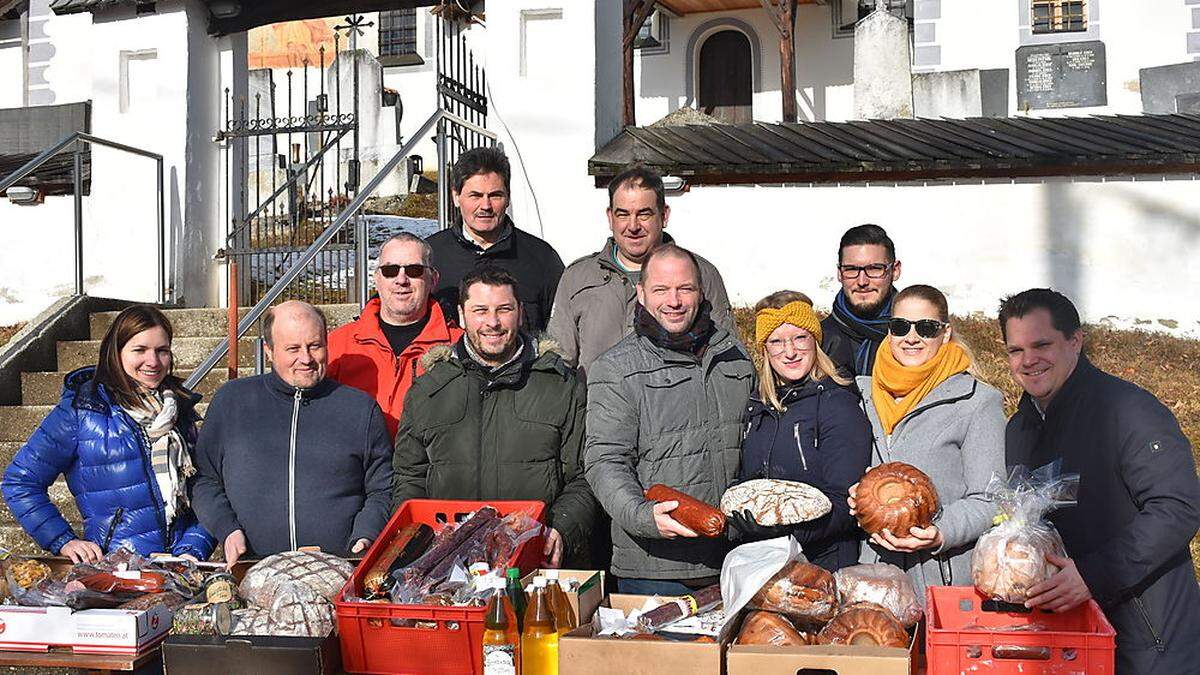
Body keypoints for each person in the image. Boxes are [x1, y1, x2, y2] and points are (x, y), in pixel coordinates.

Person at [1000, 288, 1200, 675]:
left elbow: (1179, 506)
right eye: (1015, 350)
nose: (1028, 361)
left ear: (1075, 340)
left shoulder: (1127, 411)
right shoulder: (1019, 429)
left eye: (1042, 344)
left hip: (1149, 642)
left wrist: (1095, 575)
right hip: (1068, 640)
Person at [393, 267, 597, 568]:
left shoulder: (560, 385)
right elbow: (409, 476)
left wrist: (562, 527)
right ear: (462, 315)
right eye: (480, 311)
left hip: (535, 558)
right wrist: (418, 541)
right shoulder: (430, 389)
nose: (493, 322)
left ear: (520, 314)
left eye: (504, 309)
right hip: (448, 563)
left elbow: (585, 473)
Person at [584, 244, 753, 595]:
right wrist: (643, 516)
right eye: (661, 289)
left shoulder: (734, 358)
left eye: (684, 289)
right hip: (654, 567)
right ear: (641, 294)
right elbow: (604, 461)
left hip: (732, 559)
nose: (673, 301)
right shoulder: (617, 369)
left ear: (700, 292)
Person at [2, 306, 215, 563]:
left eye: (162, 351)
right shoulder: (83, 410)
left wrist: (193, 548)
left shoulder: (180, 412)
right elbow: (20, 481)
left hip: (179, 570)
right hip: (115, 570)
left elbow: (208, 490)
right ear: (116, 352)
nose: (153, 361)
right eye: (140, 350)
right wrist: (62, 540)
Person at [192, 300, 392, 567]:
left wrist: (366, 533)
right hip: (253, 568)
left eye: (315, 346)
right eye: (293, 349)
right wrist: (227, 529)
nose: (306, 359)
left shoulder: (359, 408)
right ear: (269, 351)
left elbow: (383, 487)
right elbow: (205, 480)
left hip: (339, 568)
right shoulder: (232, 401)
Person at [848, 284, 1005, 600]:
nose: (911, 337)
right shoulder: (862, 395)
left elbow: (992, 499)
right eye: (900, 326)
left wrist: (939, 531)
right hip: (875, 578)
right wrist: (856, 496)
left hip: (939, 577)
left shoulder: (977, 401)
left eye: (927, 328)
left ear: (945, 333)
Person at [729, 291, 872, 572]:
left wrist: (786, 533)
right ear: (765, 349)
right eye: (777, 341)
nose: (790, 351)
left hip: (823, 564)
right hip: (766, 562)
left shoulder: (837, 402)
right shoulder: (758, 404)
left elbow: (848, 504)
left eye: (799, 337)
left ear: (815, 341)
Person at [547, 165, 734, 376]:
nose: (633, 226)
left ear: (664, 215)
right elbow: (558, 361)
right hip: (596, 405)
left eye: (644, 214)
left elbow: (725, 354)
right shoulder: (578, 277)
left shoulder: (701, 274)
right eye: (623, 214)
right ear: (610, 217)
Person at [328, 233, 463, 438]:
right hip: (359, 468)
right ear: (377, 278)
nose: (401, 280)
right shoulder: (337, 346)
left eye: (414, 270)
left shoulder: (459, 346)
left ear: (433, 279)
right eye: (390, 270)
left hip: (431, 467)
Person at [427, 147, 564, 333]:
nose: (485, 206)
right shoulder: (430, 257)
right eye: (475, 195)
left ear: (508, 197)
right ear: (456, 196)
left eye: (495, 195)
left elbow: (560, 334)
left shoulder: (542, 258)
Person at [821, 224, 902, 377]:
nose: (862, 281)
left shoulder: (918, 335)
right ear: (839, 273)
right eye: (851, 269)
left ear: (895, 270)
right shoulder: (818, 342)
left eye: (874, 269)